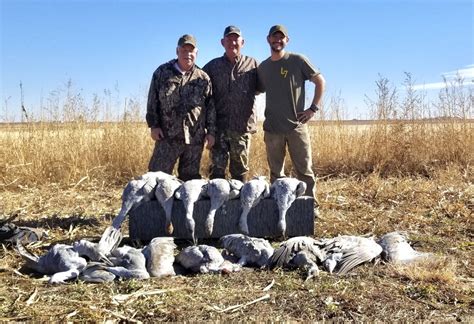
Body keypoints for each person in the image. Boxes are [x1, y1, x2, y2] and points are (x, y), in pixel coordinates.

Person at [257, 25, 326, 197]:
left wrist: (312, 109)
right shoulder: (263, 67)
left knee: (304, 172)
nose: (277, 40)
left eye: (281, 37)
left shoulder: (298, 60)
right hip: (272, 129)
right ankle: (277, 206)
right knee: (276, 175)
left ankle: (310, 206)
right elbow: (257, 90)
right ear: (268, 39)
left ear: (287, 40)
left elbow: (320, 81)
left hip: (296, 127)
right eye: (274, 37)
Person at [146, 34, 215, 181]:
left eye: (191, 51)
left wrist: (211, 133)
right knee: (156, 178)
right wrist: (154, 126)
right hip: (166, 137)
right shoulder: (162, 73)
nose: (187, 54)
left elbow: (210, 108)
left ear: (196, 53)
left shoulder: (203, 78)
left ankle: (184, 205)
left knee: (190, 182)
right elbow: (152, 101)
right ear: (177, 51)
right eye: (184, 50)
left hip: (194, 140)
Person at [203, 26, 259, 182]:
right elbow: (199, 89)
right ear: (222, 42)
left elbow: (264, 87)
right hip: (218, 128)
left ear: (243, 42)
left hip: (241, 128)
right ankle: (217, 204)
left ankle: (240, 204)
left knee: (239, 170)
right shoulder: (212, 66)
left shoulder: (253, 64)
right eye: (229, 39)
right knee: (217, 169)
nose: (232, 42)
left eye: (236, 39)